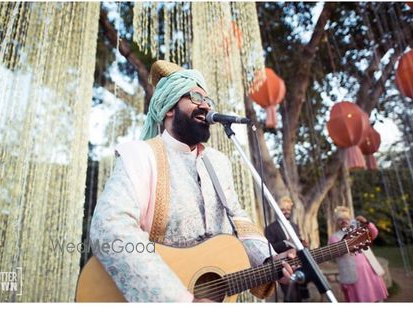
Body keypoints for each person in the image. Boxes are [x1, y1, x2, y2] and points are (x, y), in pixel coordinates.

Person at [89, 60, 294, 302]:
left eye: (208, 100)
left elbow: (238, 219)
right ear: (168, 107)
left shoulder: (218, 163)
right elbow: (110, 228)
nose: (206, 105)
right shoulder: (139, 155)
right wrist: (180, 300)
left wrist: (268, 259)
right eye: (196, 97)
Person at [328, 206, 388, 302]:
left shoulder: (359, 229)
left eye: (346, 219)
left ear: (350, 219)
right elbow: (337, 252)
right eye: (340, 220)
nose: (343, 221)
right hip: (353, 275)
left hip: (370, 270)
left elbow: (374, 233)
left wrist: (366, 222)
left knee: (377, 300)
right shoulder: (334, 237)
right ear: (337, 222)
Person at [264, 195, 309, 302]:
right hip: (283, 267)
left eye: (288, 209)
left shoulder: (294, 225)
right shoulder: (270, 228)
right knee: (291, 296)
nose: (286, 212)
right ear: (277, 210)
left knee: (300, 297)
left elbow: (297, 242)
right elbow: (269, 248)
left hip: (298, 264)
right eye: (283, 210)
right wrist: (285, 243)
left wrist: (303, 243)